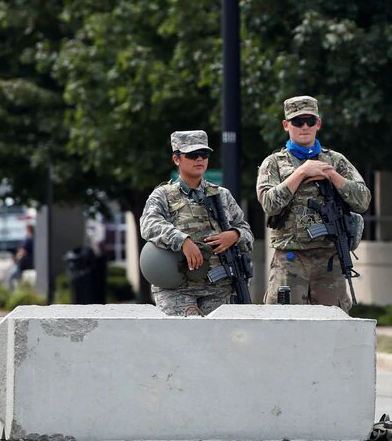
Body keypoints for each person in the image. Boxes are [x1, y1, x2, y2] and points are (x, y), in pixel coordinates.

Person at [256, 95, 371, 312]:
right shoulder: (274, 164)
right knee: (285, 324)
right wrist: (301, 173)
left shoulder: (335, 160)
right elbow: (269, 204)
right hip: (290, 259)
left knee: (332, 326)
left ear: (318, 124)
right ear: (286, 125)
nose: (305, 127)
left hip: (329, 260)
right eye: (298, 122)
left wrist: (333, 176)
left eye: (310, 121)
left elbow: (363, 200)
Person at [140, 130, 253, 316]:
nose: (199, 159)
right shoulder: (163, 195)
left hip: (219, 286)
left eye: (204, 154)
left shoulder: (221, 195)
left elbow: (246, 230)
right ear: (176, 159)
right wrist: (182, 241)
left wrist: (234, 235)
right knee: (181, 341)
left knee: (218, 341)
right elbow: (149, 224)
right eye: (192, 155)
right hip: (177, 288)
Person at [6, 224, 34, 290]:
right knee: (17, 278)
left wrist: (16, 258)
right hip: (31, 263)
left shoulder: (27, 240)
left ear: (28, 229)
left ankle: (13, 292)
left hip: (24, 263)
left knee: (10, 278)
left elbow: (22, 252)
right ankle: (20, 290)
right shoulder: (35, 239)